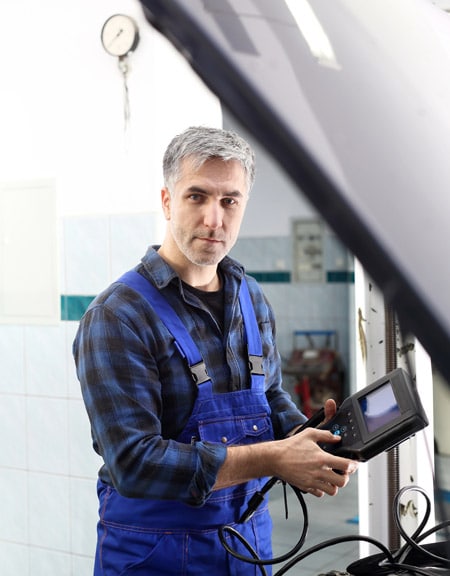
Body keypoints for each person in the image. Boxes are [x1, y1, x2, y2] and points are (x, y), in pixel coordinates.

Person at [73, 125, 358, 576]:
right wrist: (273, 458)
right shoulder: (117, 316)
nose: (214, 219)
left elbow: (270, 399)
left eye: (230, 200)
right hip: (154, 555)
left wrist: (309, 437)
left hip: (246, 544)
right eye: (197, 197)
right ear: (167, 201)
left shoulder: (252, 299)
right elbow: (133, 462)